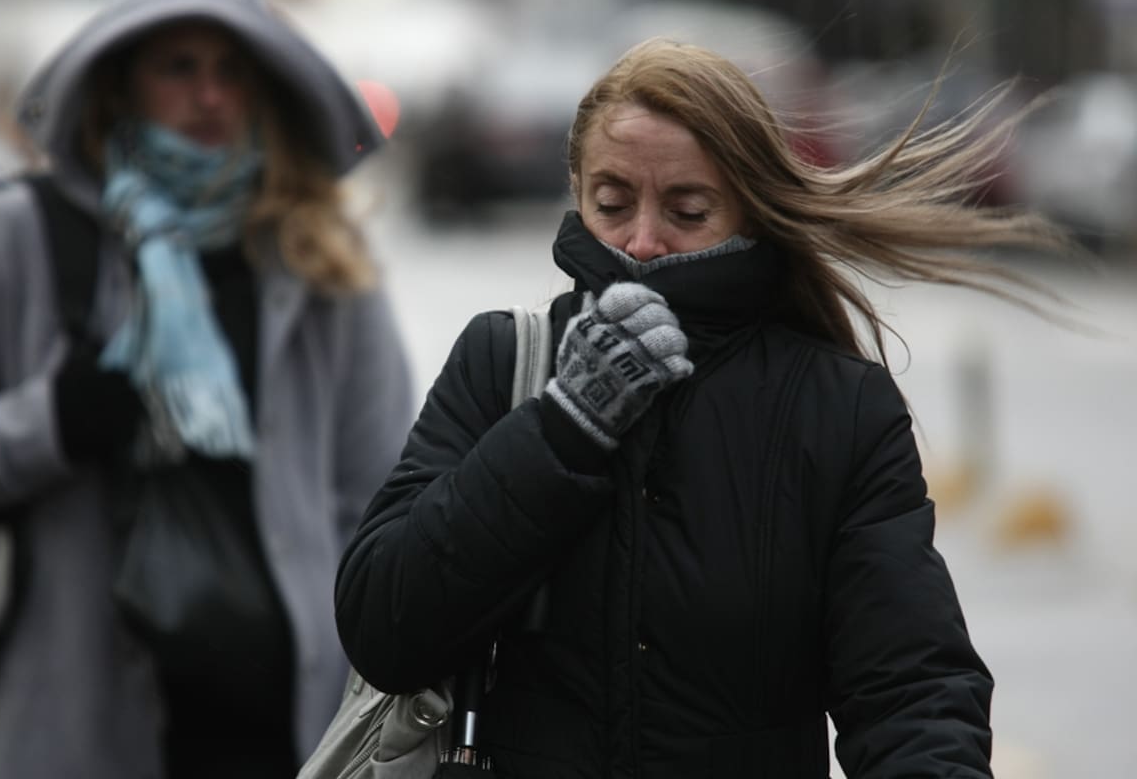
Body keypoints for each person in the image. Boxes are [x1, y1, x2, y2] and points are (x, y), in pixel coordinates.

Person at [333, 38, 1074, 778]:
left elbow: (910, 688)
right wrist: (562, 428)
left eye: (687, 210)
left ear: (751, 210)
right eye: (613, 204)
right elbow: (384, 626)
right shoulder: (505, 362)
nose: (644, 243)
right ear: (577, 193)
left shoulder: (838, 409)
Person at [0, 0, 415, 777]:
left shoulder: (319, 253)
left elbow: (382, 500)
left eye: (233, 69)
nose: (210, 94)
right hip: (75, 713)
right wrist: (48, 422)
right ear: (118, 83)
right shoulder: (21, 234)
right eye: (178, 67)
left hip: (282, 724)